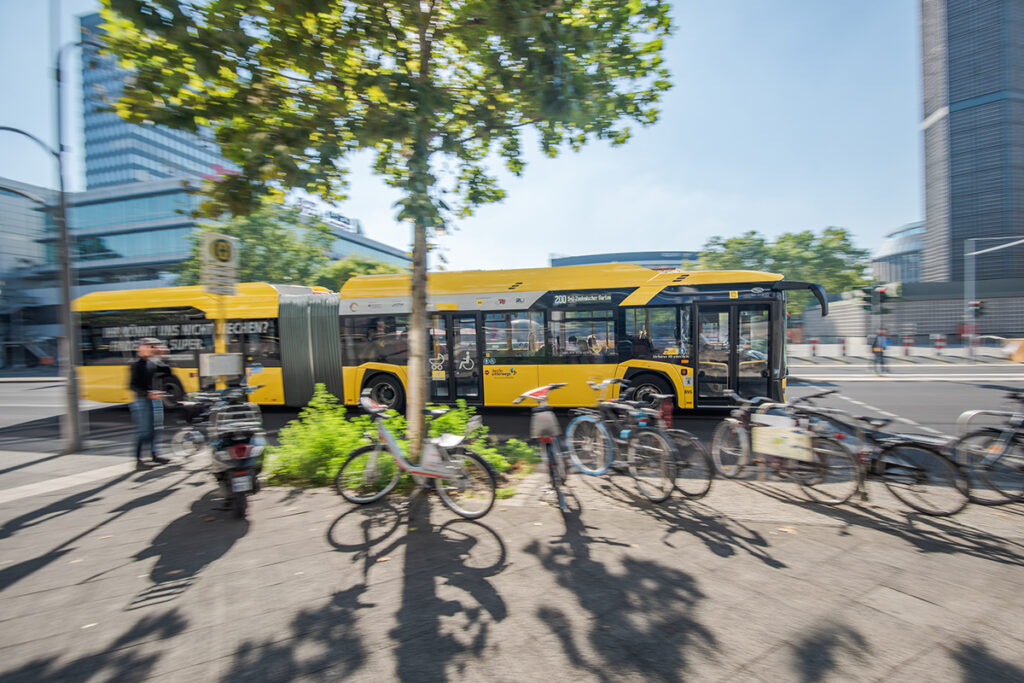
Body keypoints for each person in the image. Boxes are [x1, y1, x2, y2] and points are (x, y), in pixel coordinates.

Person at [129, 338, 169, 468]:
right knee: (143, 431)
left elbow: (167, 373)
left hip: (153, 400)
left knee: (155, 429)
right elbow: (132, 385)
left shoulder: (152, 363)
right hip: (141, 401)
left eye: (154, 347)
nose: (153, 349)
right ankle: (138, 460)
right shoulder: (136, 365)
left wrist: (163, 357)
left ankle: (154, 455)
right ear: (141, 349)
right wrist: (147, 394)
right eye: (150, 347)